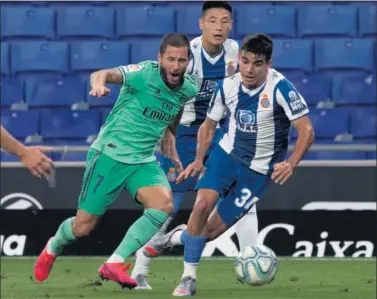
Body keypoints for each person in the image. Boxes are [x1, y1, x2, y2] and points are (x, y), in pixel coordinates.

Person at [148, 33, 315, 296]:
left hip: (258, 171)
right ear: (238, 58)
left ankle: (172, 238)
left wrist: (291, 163)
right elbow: (209, 125)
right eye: (244, 61)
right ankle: (188, 278)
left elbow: (306, 130)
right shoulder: (227, 86)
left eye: (256, 63)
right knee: (202, 205)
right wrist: (200, 160)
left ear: (268, 64)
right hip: (226, 156)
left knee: (210, 232)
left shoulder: (281, 88)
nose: (248, 69)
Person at [33, 33, 199, 290]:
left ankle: (115, 262)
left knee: (163, 205)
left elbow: (176, 105)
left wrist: (170, 134)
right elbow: (103, 73)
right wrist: (98, 85)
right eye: (170, 60)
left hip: (142, 160)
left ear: (188, 61)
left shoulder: (189, 87)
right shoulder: (144, 73)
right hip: (109, 155)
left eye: (181, 60)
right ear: (160, 58)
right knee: (83, 226)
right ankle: (53, 246)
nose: (175, 66)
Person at [131, 1, 260, 289]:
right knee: (167, 205)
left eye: (225, 21)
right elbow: (166, 95)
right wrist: (168, 137)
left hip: (221, 133)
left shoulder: (235, 52)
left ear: (231, 25)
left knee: (242, 196)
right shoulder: (187, 56)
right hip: (186, 133)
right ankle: (140, 269)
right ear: (201, 24)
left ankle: (246, 260)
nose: (219, 27)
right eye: (212, 21)